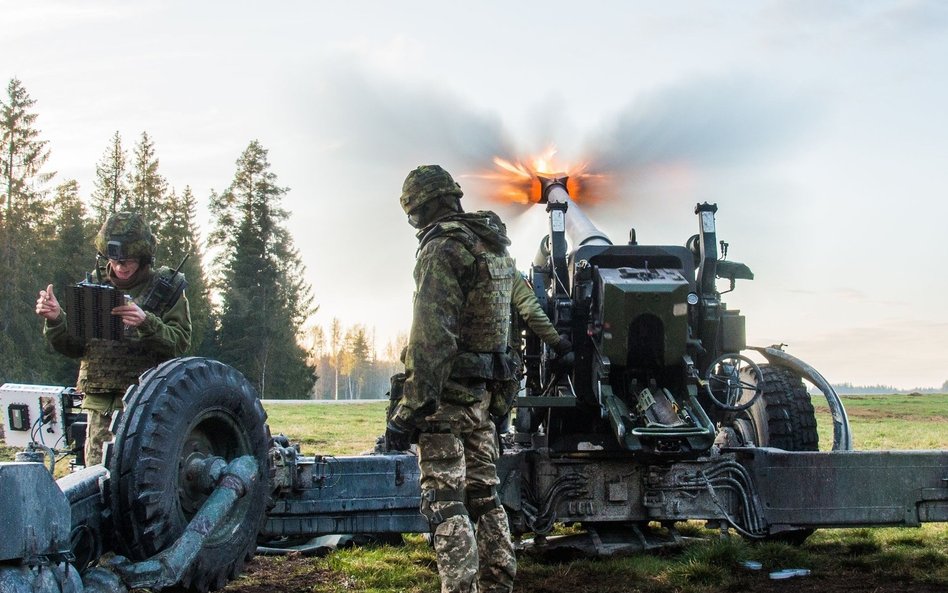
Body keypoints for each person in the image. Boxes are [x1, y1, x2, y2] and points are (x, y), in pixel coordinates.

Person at [386, 165, 518, 593]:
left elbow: (431, 339)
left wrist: (407, 412)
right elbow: (505, 337)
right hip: (483, 397)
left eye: (415, 215)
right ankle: (499, 581)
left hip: (444, 400)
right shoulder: (495, 250)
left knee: (445, 503)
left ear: (428, 207)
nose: (416, 224)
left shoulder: (443, 249)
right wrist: (501, 403)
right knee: (486, 496)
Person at [35, 211, 191, 466]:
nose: (120, 266)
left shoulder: (167, 288)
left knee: (146, 477)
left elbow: (180, 343)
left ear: (143, 256)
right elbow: (75, 346)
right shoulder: (93, 286)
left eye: (127, 259)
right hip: (102, 406)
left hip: (149, 403)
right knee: (99, 481)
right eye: (114, 259)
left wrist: (146, 323)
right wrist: (55, 319)